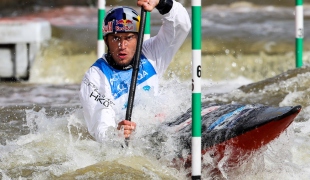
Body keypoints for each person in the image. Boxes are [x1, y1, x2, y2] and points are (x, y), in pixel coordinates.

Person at [79, 0, 191, 143]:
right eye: (116, 38)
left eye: (129, 38)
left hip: (159, 129)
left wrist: (162, 2)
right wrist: (115, 134)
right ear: (106, 40)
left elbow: (181, 26)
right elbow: (100, 124)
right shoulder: (96, 76)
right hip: (130, 143)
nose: (122, 46)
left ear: (138, 39)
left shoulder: (151, 53)